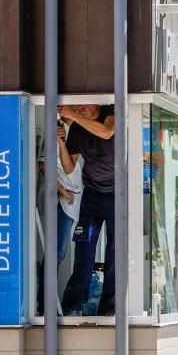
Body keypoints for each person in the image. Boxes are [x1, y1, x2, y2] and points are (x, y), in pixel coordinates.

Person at [60, 104, 116, 317]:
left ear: (95, 103)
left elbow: (106, 132)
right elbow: (68, 167)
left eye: (81, 105)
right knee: (84, 249)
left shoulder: (111, 111)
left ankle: (109, 309)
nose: (78, 108)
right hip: (92, 192)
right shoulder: (76, 129)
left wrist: (71, 114)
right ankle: (74, 305)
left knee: (114, 252)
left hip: (118, 194)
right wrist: (61, 143)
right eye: (75, 106)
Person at [36, 117, 84, 314]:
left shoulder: (79, 133)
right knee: (56, 253)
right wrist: (61, 190)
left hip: (73, 202)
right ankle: (45, 303)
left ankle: (46, 302)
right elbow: (43, 165)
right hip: (60, 201)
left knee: (58, 253)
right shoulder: (56, 131)